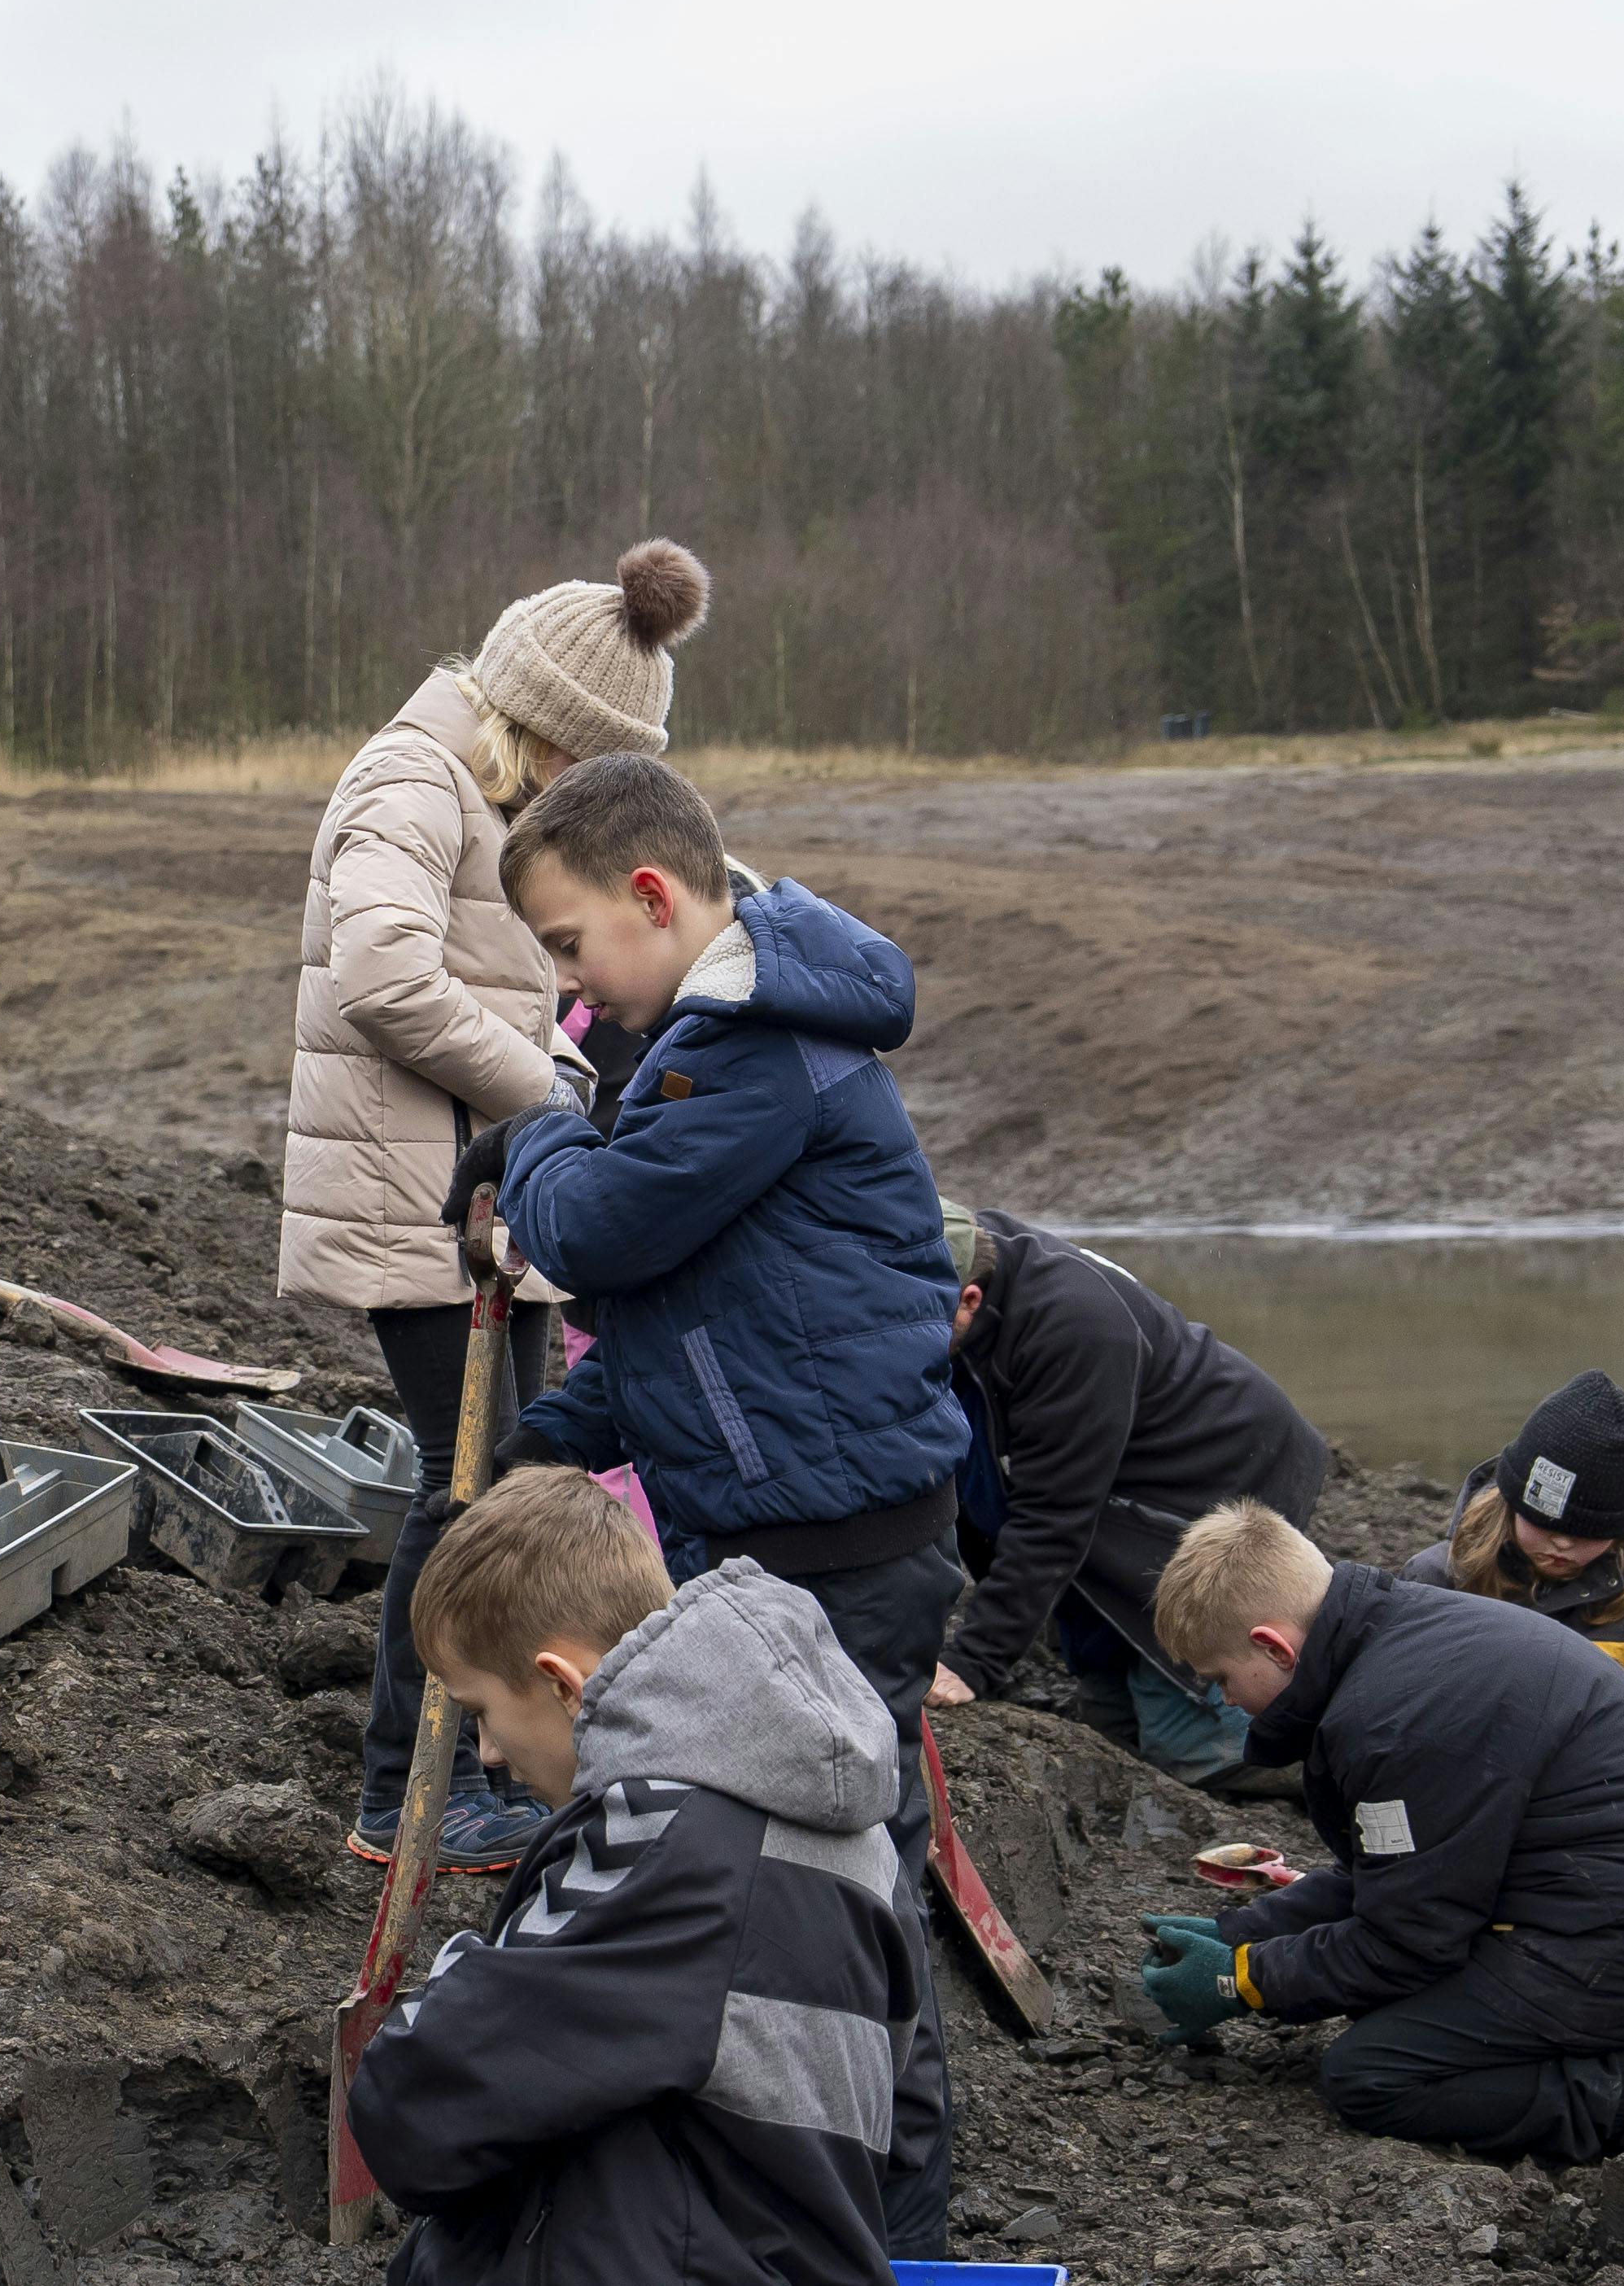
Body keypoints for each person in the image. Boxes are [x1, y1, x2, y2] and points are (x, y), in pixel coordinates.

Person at [447, 751, 969, 2258]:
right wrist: (537, 1452)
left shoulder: (752, 1047)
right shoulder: (712, 1039)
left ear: (653, 895)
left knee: (853, 1895)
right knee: (813, 1876)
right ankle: (797, 2173)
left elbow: (602, 1234)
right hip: (785, 1525)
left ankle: (896, 2223)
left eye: (564, 946)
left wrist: (539, 1119)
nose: (569, 986)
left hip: (837, 1546)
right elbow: (694, 1323)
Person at [282, 539, 709, 1875]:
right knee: (460, 1487)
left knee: (501, 1475)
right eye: (587, 768)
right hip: (418, 1194)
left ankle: (474, 1760)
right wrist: (551, 1099)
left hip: (486, 1192)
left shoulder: (485, 794)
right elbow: (384, 975)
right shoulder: (411, 779)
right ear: (543, 726)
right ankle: (404, 1789)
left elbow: (510, 996)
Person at [1137, 1501, 1624, 2214]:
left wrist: (1240, 1982)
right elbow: (1400, 1875)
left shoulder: (1395, 1717)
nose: (1226, 1702)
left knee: (1371, 2074)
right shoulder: (1403, 1636)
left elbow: (1406, 1944)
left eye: (1220, 1677)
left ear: (1273, 1648)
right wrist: (1243, 1934)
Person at [344, 1468, 916, 2286]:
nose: (491, 1754)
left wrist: (454, 1974)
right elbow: (912, 2113)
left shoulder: (659, 1832)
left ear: (560, 1682)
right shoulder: (867, 1840)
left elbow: (419, 2101)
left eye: (479, 1712)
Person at [923, 1200, 1330, 1791]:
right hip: (1121, 1460)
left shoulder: (1071, 1326)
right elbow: (980, 1479)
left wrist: (974, 1661)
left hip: (1221, 1466)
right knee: (1109, 1705)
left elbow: (1053, 1515)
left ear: (970, 1301)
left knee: (1191, 1743)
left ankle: (1322, 1757)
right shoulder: (961, 1249)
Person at [1401, 1370, 1624, 1768]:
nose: (1564, 1544)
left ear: (1623, 1530)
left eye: (1589, 1533)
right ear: (1514, 1502)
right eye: (1547, 1525)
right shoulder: (1436, 1581)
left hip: (1595, 1801)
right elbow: (1392, 1718)